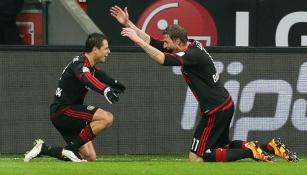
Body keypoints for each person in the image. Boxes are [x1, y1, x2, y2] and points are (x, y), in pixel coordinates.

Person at [110, 6, 299, 162]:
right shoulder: (189, 45)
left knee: (197, 158)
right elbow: (153, 42)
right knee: (222, 147)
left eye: (167, 42)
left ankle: (251, 151)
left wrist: (136, 41)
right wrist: (129, 24)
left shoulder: (191, 55)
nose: (164, 46)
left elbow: (161, 59)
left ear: (177, 41)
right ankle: (269, 146)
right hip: (223, 104)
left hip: (215, 110)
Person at [24, 33, 126, 162]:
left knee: (89, 156)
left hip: (64, 113)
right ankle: (71, 149)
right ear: (95, 49)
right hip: (63, 111)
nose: (109, 51)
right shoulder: (80, 64)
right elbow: (86, 77)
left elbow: (101, 75)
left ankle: (44, 149)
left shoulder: (88, 65)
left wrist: (115, 84)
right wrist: (105, 89)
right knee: (107, 118)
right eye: (106, 48)